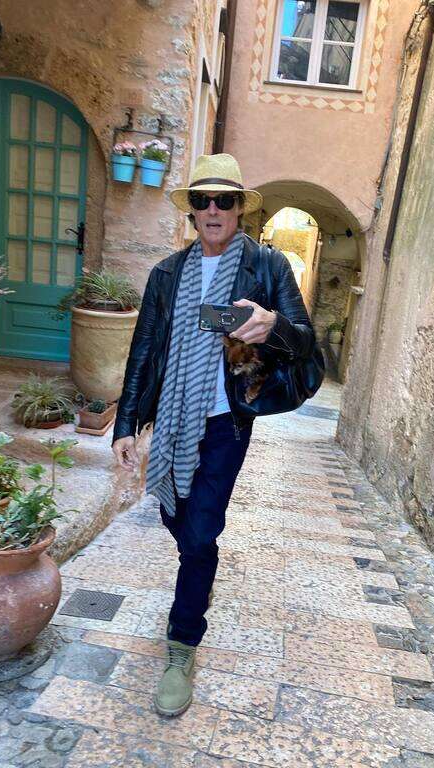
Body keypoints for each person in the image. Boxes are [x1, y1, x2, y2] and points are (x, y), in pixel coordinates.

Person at [111, 153, 316, 717]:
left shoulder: (267, 267)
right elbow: (144, 350)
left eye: (224, 200)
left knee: (200, 533)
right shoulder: (166, 274)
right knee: (178, 521)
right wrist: (126, 423)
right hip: (173, 421)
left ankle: (182, 644)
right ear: (193, 211)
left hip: (227, 422)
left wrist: (274, 326)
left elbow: (306, 345)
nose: (213, 210)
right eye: (203, 200)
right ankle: (197, 576)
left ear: (239, 208)